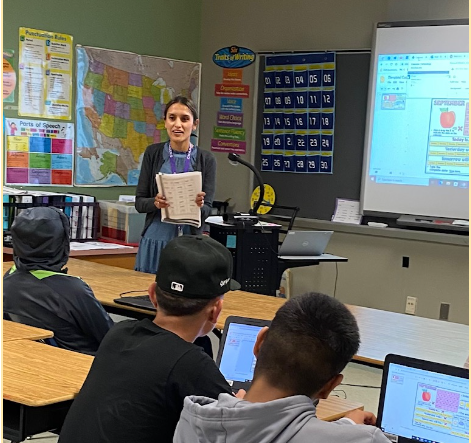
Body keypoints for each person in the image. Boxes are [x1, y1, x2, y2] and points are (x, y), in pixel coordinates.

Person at [59, 235, 237, 443]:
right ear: (216, 311)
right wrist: (242, 406)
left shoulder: (119, 334)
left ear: (152, 295)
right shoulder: (190, 364)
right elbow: (242, 428)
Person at [173, 292, 391, 443]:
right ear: (330, 386)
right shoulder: (366, 439)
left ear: (259, 343)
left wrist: (243, 413)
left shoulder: (193, 423)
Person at [3, 206, 113, 355]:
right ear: (61, 242)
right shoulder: (73, 290)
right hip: (83, 364)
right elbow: (110, 337)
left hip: (38, 360)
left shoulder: (8, 280)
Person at [135, 95, 216, 275]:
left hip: (189, 243)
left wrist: (198, 205)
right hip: (156, 240)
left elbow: (207, 210)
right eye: (172, 118)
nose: (177, 124)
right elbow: (139, 203)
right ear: (165, 122)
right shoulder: (152, 153)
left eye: (184, 119)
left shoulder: (206, 159)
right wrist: (155, 203)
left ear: (194, 124)